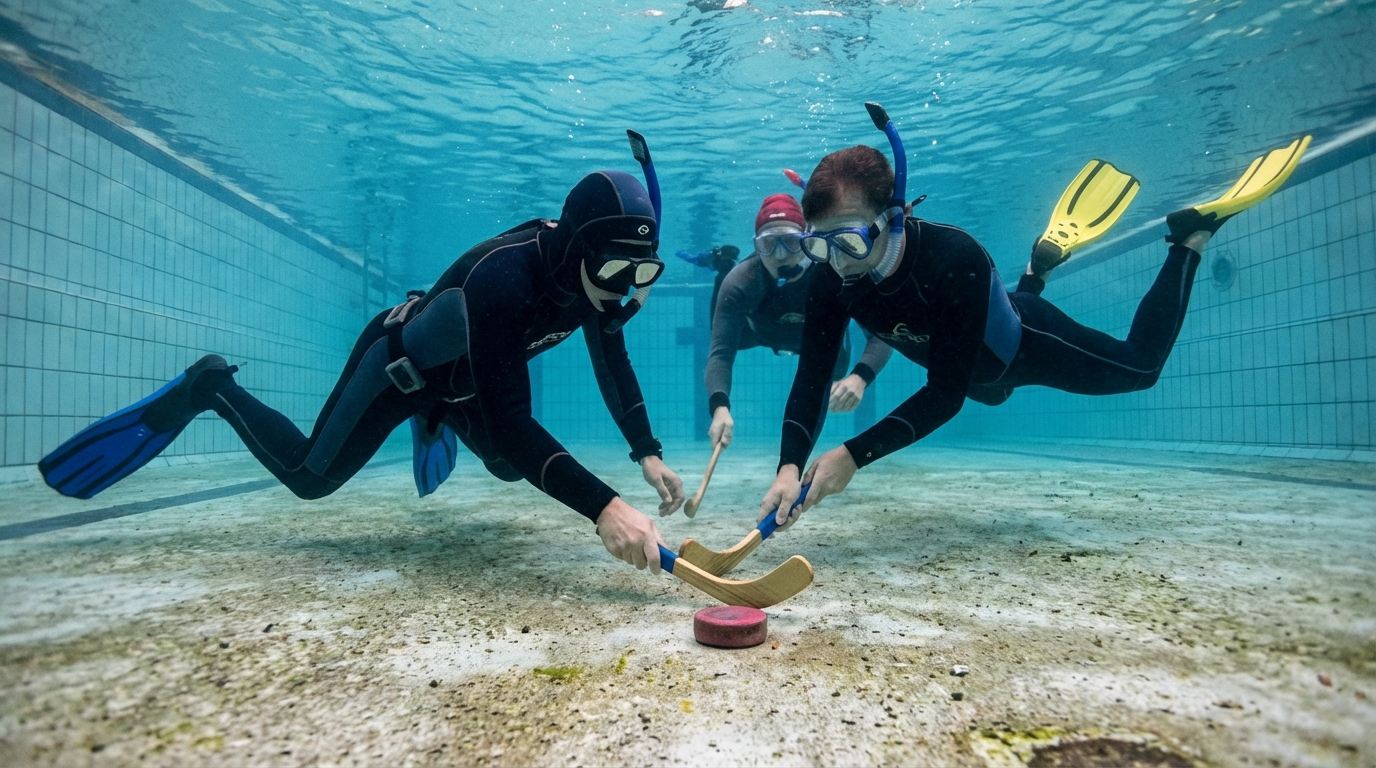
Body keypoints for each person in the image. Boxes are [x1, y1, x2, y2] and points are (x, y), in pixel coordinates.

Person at [39, 134, 689, 575]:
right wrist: (605, 507)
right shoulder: (504, 280)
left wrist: (646, 449)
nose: (623, 293)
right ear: (577, 250)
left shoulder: (593, 284)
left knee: (506, 466)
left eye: (641, 276)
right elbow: (516, 421)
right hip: (399, 366)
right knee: (310, 479)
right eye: (613, 273)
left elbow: (612, 357)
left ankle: (437, 416)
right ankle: (211, 386)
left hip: (461, 381)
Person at [757, 104, 1309, 528]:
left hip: (1022, 346)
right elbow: (812, 373)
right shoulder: (833, 274)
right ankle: (1039, 265)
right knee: (990, 393)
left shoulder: (954, 259)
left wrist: (854, 455)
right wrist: (789, 464)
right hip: (977, 372)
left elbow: (944, 394)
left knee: (1139, 370)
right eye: (819, 246)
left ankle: (1188, 238)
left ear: (892, 219)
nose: (836, 263)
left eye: (849, 241)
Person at [702, 194, 894, 448]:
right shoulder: (742, 281)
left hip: (823, 339)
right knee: (719, 331)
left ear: (807, 242)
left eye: (791, 242)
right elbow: (721, 353)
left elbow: (882, 333)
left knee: (833, 376)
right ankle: (721, 267)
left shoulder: (835, 272)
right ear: (757, 248)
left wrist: (860, 377)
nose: (780, 255)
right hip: (760, 332)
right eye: (768, 244)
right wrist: (719, 408)